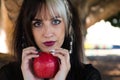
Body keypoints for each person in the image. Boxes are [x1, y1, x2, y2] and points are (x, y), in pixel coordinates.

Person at [0, 0, 101, 80]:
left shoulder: (88, 76)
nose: (47, 33)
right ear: (27, 29)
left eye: (56, 21)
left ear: (68, 27)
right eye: (37, 24)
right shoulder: (7, 75)